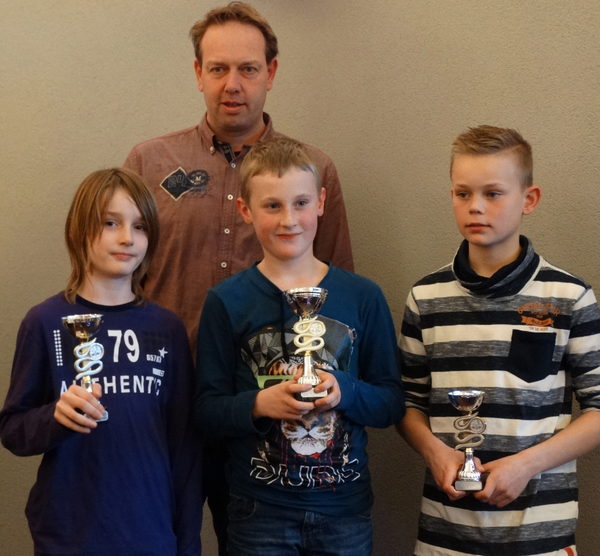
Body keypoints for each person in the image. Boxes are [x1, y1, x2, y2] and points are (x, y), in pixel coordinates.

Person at [123, 4, 353, 552]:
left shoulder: (312, 171)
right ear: (198, 73)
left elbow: (337, 295)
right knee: (159, 538)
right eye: (219, 68)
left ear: (270, 73)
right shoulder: (149, 163)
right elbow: (118, 276)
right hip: (163, 398)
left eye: (248, 69)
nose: (233, 84)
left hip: (267, 408)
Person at [195, 136, 405, 556]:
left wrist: (345, 391)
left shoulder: (363, 296)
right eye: (272, 205)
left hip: (343, 509)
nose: (288, 220)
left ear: (321, 202)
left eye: (301, 203)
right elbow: (206, 411)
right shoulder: (226, 300)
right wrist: (260, 404)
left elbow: (391, 402)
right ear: (245, 210)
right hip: (258, 509)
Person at [397, 125, 600, 556]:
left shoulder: (569, 296)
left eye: (493, 194)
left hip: (540, 534)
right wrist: (434, 452)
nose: (476, 207)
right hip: (444, 534)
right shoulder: (425, 298)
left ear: (529, 199)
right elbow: (407, 403)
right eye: (463, 193)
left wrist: (527, 464)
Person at [0, 168, 202, 556]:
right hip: (68, 537)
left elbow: (185, 449)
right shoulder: (44, 321)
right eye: (111, 223)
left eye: (140, 226)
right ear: (80, 229)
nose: (127, 238)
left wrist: (187, 543)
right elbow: (12, 430)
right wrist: (55, 417)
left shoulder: (166, 329)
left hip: (150, 535)